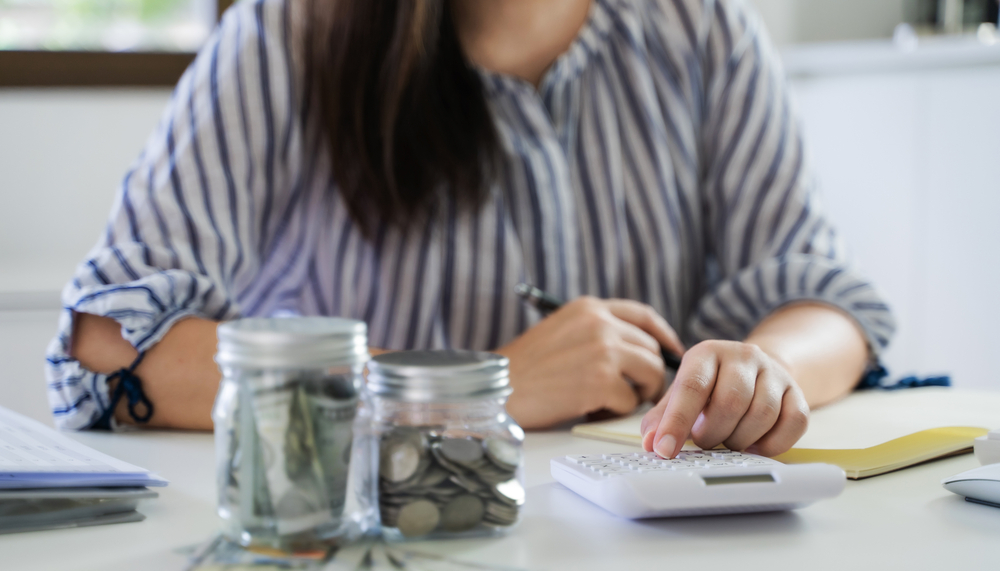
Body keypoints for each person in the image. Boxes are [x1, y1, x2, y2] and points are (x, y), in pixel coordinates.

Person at [47, 0, 895, 460]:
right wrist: (468, 389)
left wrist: (763, 372)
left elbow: (819, 296)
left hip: (641, 558)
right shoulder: (286, 38)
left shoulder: (706, 33)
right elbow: (109, 345)